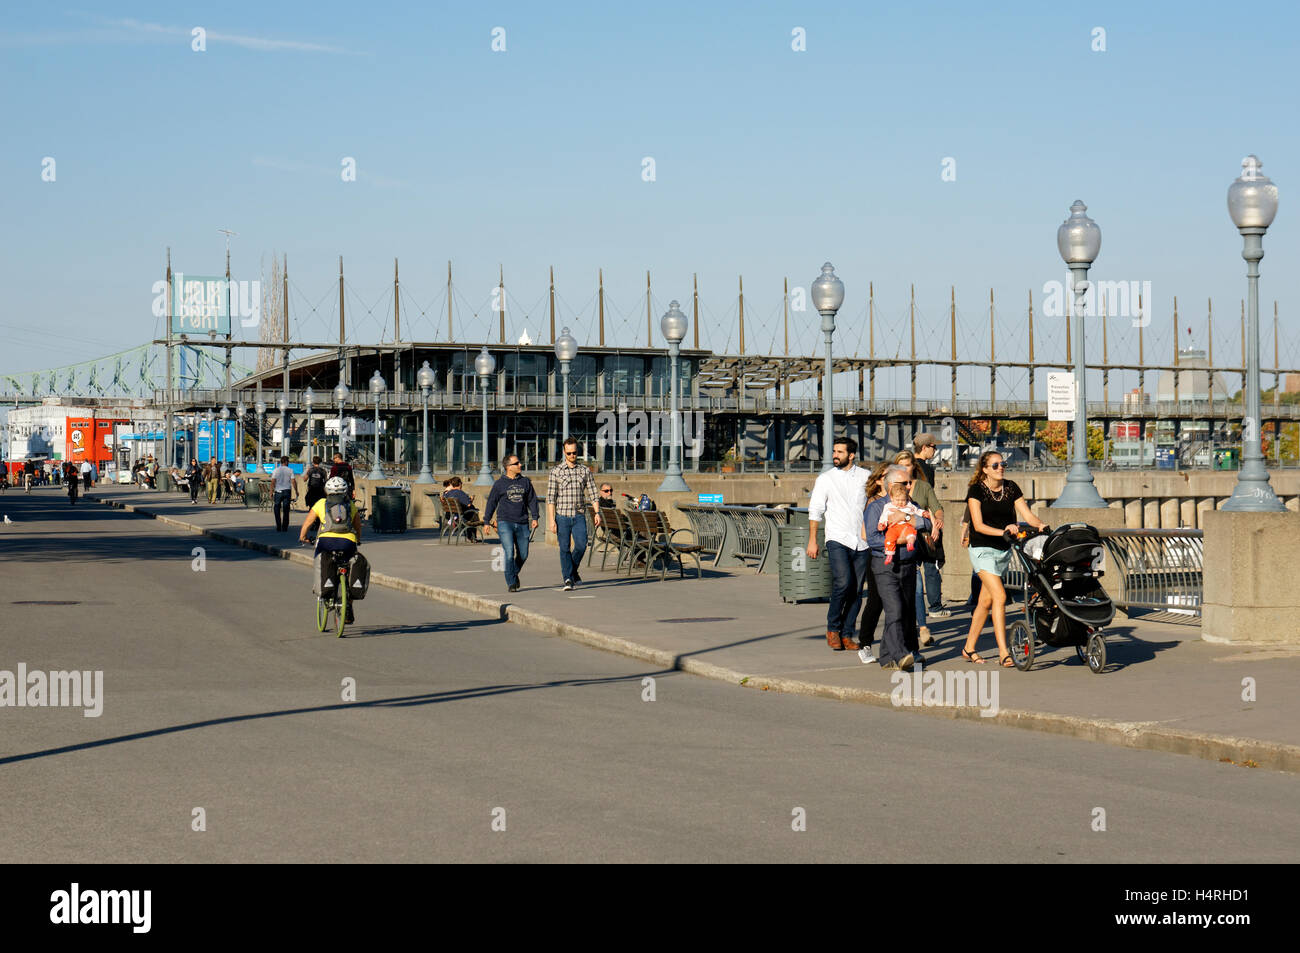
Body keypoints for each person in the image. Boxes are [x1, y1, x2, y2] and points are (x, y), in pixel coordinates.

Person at [961, 450, 1048, 667]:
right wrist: (1004, 531)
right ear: (985, 470)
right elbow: (978, 525)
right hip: (982, 548)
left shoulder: (1011, 487)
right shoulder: (976, 490)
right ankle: (1004, 653)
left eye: (1003, 464)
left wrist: (1039, 525)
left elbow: (1026, 515)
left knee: (985, 601)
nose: (1001, 468)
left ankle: (969, 647)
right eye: (995, 465)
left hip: (1003, 550)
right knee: (1000, 597)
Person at [865, 464, 933, 672]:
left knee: (907, 609)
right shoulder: (877, 508)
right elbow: (872, 538)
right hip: (886, 565)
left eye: (909, 482)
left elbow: (928, 524)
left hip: (909, 564)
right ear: (891, 485)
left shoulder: (910, 504)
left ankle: (890, 655)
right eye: (905, 483)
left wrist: (905, 518)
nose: (910, 485)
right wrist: (899, 540)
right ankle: (901, 654)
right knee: (895, 609)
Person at [806, 437, 869, 652]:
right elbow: (815, 510)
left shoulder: (865, 477)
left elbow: (874, 504)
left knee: (857, 591)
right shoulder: (825, 479)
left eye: (840, 452)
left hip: (862, 542)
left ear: (851, 455)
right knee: (843, 583)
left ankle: (847, 634)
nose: (835, 455)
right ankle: (833, 628)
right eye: (834, 451)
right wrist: (812, 540)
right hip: (837, 538)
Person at [300, 476, 362, 624]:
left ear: (326, 490)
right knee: (350, 570)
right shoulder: (350, 505)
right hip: (348, 542)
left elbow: (308, 522)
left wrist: (303, 536)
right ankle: (348, 606)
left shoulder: (321, 503)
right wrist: (357, 539)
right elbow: (357, 525)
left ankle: (324, 587)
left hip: (325, 541)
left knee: (320, 562)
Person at [546, 436, 600, 590]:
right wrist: (551, 521)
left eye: (574, 453)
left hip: (579, 515)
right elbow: (551, 499)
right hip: (562, 516)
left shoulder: (584, 471)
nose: (572, 456)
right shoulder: (555, 472)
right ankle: (568, 579)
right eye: (569, 453)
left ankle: (572, 570)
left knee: (582, 545)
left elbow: (593, 493)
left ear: (578, 452)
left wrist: (597, 512)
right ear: (564, 452)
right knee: (564, 548)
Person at [485, 453, 540, 593]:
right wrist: (486, 521)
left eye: (519, 462)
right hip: (505, 522)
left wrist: (535, 517)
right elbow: (491, 502)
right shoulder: (499, 484)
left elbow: (532, 500)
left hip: (522, 522)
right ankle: (511, 582)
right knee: (509, 553)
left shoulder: (525, 482)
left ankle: (513, 574)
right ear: (508, 467)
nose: (520, 465)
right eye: (516, 463)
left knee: (523, 554)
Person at [910, 433, 948, 616]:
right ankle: (935, 606)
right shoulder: (926, 469)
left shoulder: (904, 468)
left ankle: (915, 608)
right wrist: (935, 523)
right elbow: (929, 500)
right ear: (925, 447)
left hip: (907, 524)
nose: (935, 451)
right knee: (931, 565)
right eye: (934, 447)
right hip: (924, 522)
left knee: (913, 569)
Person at [874, 479, 930, 564]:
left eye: (903, 500)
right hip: (894, 527)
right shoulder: (888, 506)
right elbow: (884, 516)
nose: (900, 502)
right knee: (889, 537)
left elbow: (917, 511)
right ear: (891, 498)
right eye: (897, 500)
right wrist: (882, 524)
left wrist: (923, 513)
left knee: (911, 533)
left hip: (907, 525)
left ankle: (910, 544)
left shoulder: (909, 505)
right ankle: (889, 554)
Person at [444, 477, 480, 541]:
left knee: (472, 512)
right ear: (460, 484)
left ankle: (470, 537)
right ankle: (472, 537)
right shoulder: (460, 493)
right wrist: (471, 499)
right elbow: (468, 504)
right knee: (475, 513)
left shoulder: (448, 493)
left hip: (452, 516)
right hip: (462, 517)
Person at [271, 456, 299, 532]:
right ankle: (285, 527)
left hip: (278, 491)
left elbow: (273, 481)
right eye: (288, 461)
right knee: (286, 510)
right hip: (287, 491)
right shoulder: (290, 470)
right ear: (286, 462)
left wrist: (271, 492)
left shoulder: (276, 470)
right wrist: (296, 491)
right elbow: (293, 481)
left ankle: (278, 526)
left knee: (276, 508)